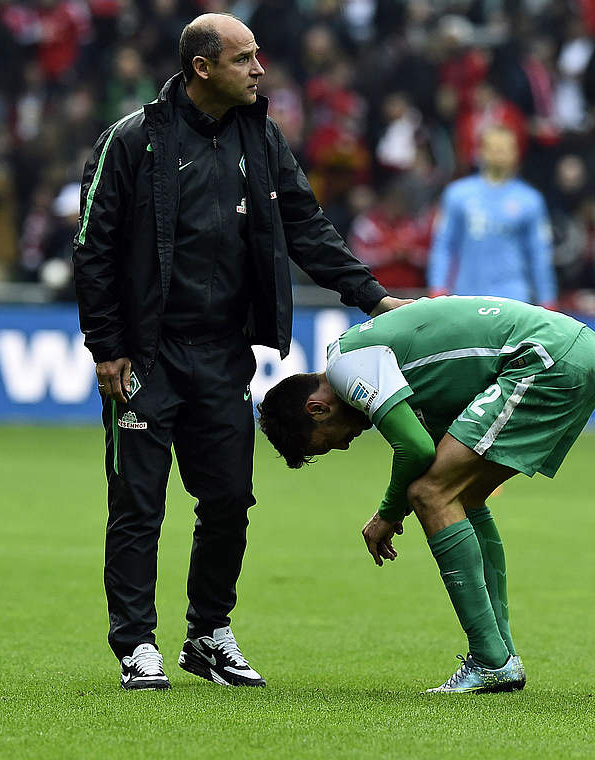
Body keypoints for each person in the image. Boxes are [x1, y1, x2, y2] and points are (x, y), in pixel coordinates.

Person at [72, 13, 407, 691]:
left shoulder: (261, 138)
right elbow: (92, 245)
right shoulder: (134, 141)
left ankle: (208, 634)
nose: (260, 69)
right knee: (139, 504)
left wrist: (371, 297)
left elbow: (305, 225)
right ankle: (136, 644)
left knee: (229, 499)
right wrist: (106, 347)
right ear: (203, 68)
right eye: (245, 59)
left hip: (222, 354)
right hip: (147, 356)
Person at [256, 296, 595, 693]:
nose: (344, 446)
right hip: (578, 349)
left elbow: (416, 450)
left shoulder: (345, 365)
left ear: (318, 409)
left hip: (542, 359)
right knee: (463, 496)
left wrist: (387, 513)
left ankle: (490, 661)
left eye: (324, 444)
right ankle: (500, 654)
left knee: (430, 493)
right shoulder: (387, 369)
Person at [428, 126, 557, 307]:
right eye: (493, 148)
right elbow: (444, 245)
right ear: (481, 152)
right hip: (466, 297)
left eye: (505, 148)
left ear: (515, 154)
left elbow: (539, 254)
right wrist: (437, 287)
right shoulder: (457, 194)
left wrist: (547, 299)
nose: (499, 153)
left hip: (514, 299)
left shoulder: (530, 200)